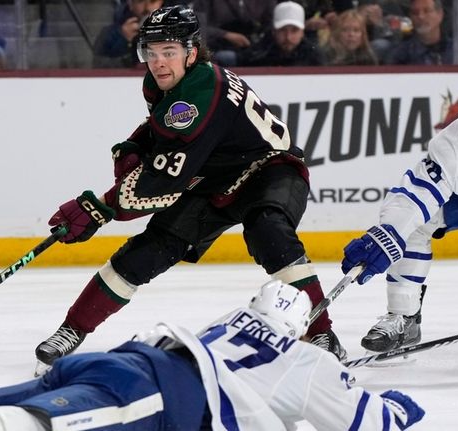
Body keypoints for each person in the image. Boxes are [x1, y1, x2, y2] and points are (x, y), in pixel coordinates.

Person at [35, 4, 346, 376]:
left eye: (169, 52)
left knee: (269, 230)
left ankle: (322, 333)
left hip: (269, 169)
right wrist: (137, 145)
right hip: (213, 178)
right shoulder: (166, 82)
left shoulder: (199, 92)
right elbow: (162, 130)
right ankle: (72, 329)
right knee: (148, 251)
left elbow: (165, 181)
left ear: (191, 52)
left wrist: (99, 207)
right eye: (151, 53)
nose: (159, 62)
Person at [0, 280, 426, 431]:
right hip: (163, 396)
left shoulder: (230, 323)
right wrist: (401, 404)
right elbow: (367, 420)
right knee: (31, 429)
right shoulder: (308, 363)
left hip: (123, 358)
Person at [341, 115, 458, 353]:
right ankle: (404, 316)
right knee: (414, 226)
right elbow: (417, 194)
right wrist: (389, 234)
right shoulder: (455, 141)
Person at [189, 0, 276, 67]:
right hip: (216, 49)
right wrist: (225, 35)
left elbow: (271, 26)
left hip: (254, 50)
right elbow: (198, 27)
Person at [240, 1, 324, 67]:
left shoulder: (314, 57)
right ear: (274, 31)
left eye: (294, 30)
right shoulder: (256, 56)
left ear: (302, 32)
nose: (288, 37)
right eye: (283, 30)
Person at [92, 0, 164, 68]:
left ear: (161, 2)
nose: (147, 7)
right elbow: (98, 66)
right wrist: (124, 40)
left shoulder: (173, 29)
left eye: (153, 1)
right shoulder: (110, 33)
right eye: (141, 1)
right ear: (131, 4)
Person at [386, 0, 452, 65]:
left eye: (427, 11)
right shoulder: (400, 54)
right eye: (415, 13)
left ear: (440, 14)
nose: (421, 16)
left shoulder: (456, 49)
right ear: (411, 17)